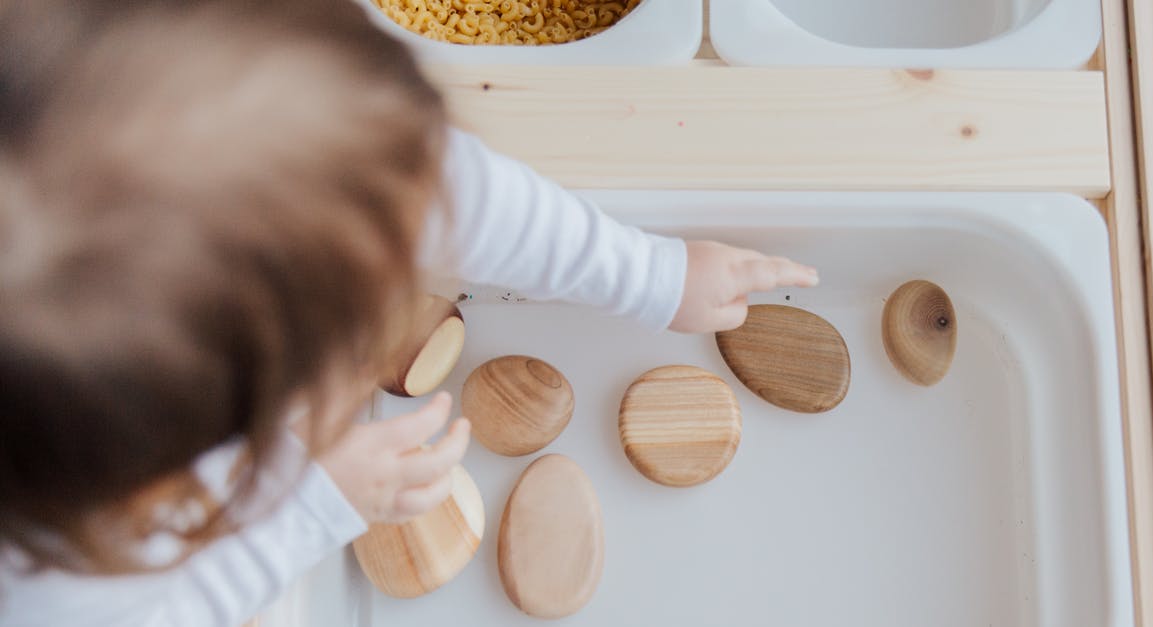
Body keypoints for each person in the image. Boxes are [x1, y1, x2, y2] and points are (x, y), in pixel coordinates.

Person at [0, 0, 818, 624]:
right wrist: (311, 502)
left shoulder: (246, 115)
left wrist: (648, 274)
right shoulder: (58, 580)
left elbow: (431, 187)